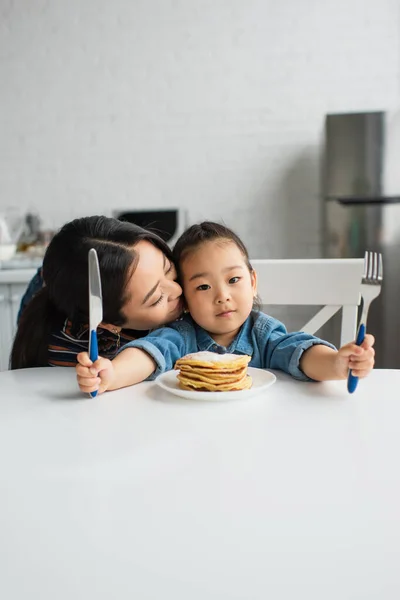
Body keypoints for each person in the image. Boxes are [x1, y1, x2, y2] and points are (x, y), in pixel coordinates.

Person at [76, 221, 375, 395]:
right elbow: (147, 354)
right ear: (186, 299)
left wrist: (337, 364)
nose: (222, 296)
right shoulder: (181, 336)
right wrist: (112, 374)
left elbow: (301, 352)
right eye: (203, 287)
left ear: (253, 282)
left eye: (233, 279)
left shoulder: (263, 334)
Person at [10, 215, 183, 369]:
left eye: (168, 268)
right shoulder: (70, 355)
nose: (178, 289)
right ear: (108, 324)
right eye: (157, 299)